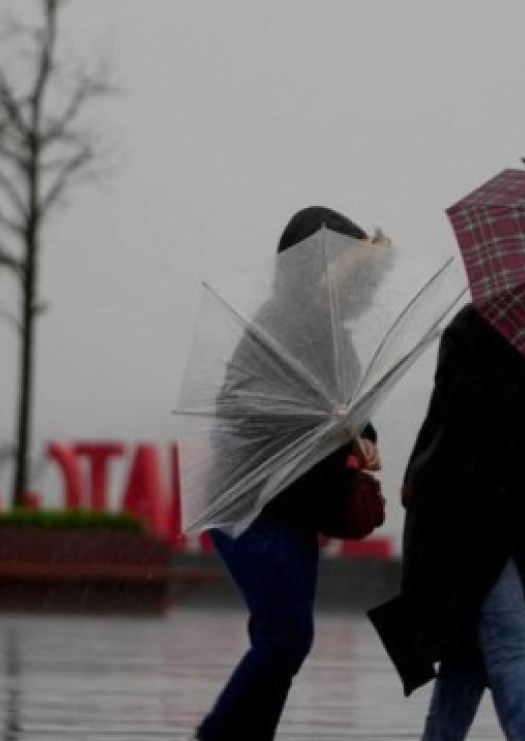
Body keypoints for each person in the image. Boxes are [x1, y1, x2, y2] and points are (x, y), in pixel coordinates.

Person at [192, 206, 384, 741]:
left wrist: (366, 440)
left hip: (299, 508)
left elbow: (356, 411)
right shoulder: (275, 329)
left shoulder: (335, 336)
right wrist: (328, 421)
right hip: (252, 503)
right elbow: (249, 408)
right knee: (286, 637)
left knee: (282, 640)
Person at [369, 303, 525, 741]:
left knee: (468, 655)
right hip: (464, 511)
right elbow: (460, 402)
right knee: (511, 643)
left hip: (522, 517)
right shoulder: (476, 322)